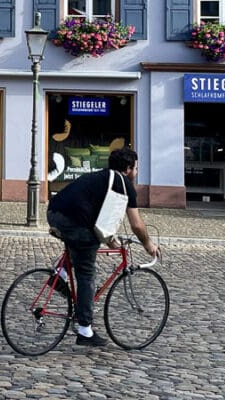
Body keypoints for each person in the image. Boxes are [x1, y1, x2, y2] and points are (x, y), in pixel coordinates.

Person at [46, 146, 160, 347]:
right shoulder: (124, 183)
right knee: (87, 272)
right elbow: (136, 224)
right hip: (73, 221)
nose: (137, 172)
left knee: (80, 243)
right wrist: (148, 244)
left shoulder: (102, 177)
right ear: (128, 168)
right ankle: (85, 330)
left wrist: (109, 238)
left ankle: (61, 274)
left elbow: (98, 215)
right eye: (136, 168)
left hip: (54, 212)